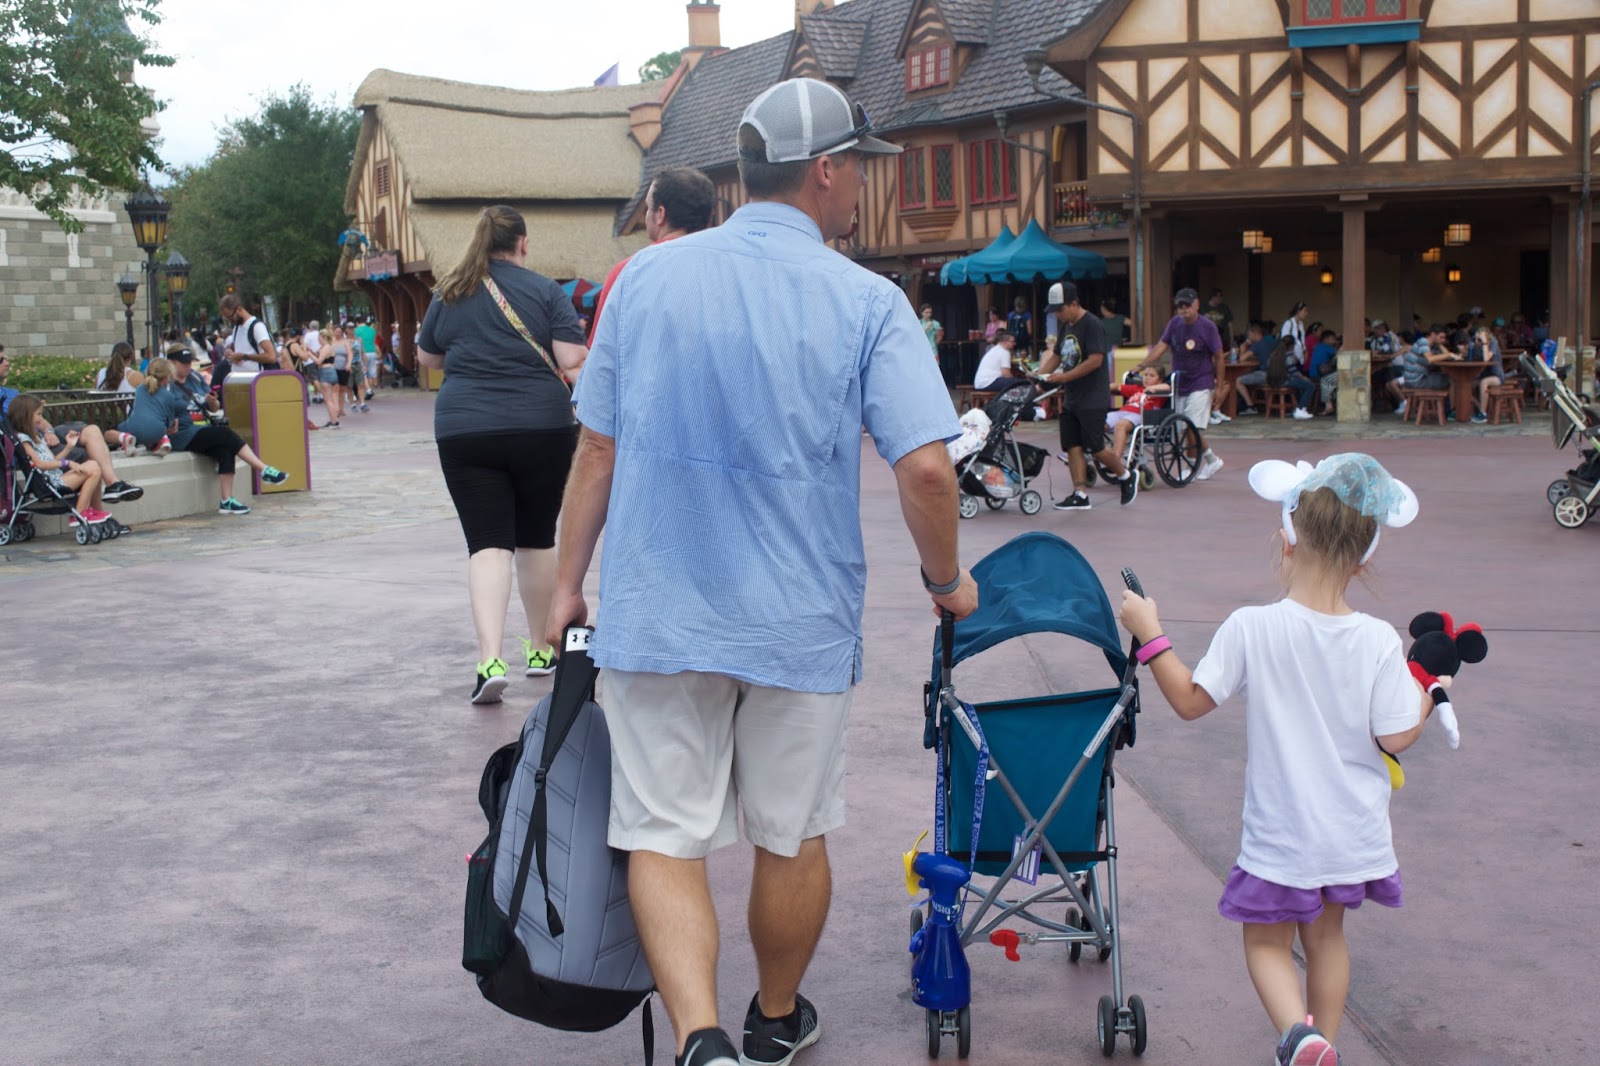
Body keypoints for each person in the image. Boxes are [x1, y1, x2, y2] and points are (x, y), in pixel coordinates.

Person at [547, 77, 977, 1066]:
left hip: (660, 609)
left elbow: (597, 450)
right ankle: (774, 1019)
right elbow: (926, 468)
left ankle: (700, 1038)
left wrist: (569, 584)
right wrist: (945, 580)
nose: (864, 183)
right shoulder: (867, 300)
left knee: (662, 832)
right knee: (791, 831)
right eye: (859, 166)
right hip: (797, 617)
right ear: (825, 170)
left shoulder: (644, 281)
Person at [1118, 453, 1427, 1066]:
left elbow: (1189, 700)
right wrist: (1425, 694)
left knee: (1265, 943)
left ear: (1287, 538)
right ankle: (1323, 1046)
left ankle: (1298, 1037)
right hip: (1351, 830)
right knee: (1328, 940)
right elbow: (1396, 737)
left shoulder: (1252, 627)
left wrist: (1150, 633)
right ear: (1363, 559)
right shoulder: (1379, 639)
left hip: (1283, 832)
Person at [416, 204, 588, 703]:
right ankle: (539, 649)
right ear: (523, 244)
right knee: (536, 538)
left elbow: (427, 357)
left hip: (466, 429)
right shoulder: (547, 291)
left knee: (487, 545)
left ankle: (490, 660)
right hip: (542, 427)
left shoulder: (450, 291)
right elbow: (571, 361)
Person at [1036, 280, 1138, 508]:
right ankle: (1080, 494)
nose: (1058, 315)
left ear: (1074, 303)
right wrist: (1039, 378)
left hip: (1092, 396)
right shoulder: (1066, 326)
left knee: (1096, 446)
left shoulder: (1092, 324)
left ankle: (1125, 475)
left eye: (1061, 309)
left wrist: (1064, 377)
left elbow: (1095, 360)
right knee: (1072, 445)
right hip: (1072, 397)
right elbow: (1057, 356)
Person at [590, 166, 717, 343]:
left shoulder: (627, 273)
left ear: (660, 215)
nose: (646, 215)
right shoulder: (725, 271)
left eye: (648, 208)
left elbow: (601, 350)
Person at [166, 349, 289, 513]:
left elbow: (214, 407)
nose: (188, 366)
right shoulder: (167, 384)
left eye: (190, 362)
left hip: (202, 428)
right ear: (172, 363)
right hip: (183, 433)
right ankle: (263, 469)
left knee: (225, 450)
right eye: (184, 363)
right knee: (225, 434)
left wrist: (212, 401)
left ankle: (226, 500)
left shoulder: (195, 378)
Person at [1136, 288, 1226, 479]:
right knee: (1183, 427)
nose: (1184, 309)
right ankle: (1212, 460)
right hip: (1180, 382)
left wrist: (1219, 387)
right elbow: (1162, 346)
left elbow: (1219, 356)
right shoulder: (1175, 323)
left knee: (1190, 426)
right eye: (1180, 306)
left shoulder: (1207, 327)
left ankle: (1188, 469)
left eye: (1187, 305)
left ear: (1197, 305)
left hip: (1201, 381)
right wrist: (1142, 365)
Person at [6, 394, 115, 528]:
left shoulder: (36, 436)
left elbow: (53, 460)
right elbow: (39, 464)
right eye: (38, 414)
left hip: (56, 478)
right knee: (93, 467)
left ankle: (86, 510)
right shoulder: (24, 440)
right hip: (49, 483)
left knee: (93, 465)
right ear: (25, 416)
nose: (41, 419)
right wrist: (68, 463)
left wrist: (69, 446)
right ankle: (80, 512)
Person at [1105, 364, 1170, 461]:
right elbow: (1118, 387)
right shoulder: (1137, 388)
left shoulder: (1158, 392)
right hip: (1122, 412)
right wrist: (1103, 388)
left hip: (1140, 415)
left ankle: (1115, 459)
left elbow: (1168, 387)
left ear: (1160, 380)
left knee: (1121, 425)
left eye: (1152, 376)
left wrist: (1154, 388)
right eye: (1146, 375)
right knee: (1098, 423)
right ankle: (1097, 451)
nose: (1147, 378)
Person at [219, 295, 281, 373]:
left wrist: (244, 357)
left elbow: (271, 357)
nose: (230, 321)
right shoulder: (237, 328)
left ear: (239, 309)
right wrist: (229, 352)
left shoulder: (257, 327)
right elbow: (235, 349)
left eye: (230, 317)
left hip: (257, 377)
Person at [1468, 326, 1504, 424]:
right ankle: (1478, 406)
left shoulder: (1493, 343)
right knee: (1466, 385)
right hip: (1483, 374)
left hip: (1497, 375)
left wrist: (1484, 343)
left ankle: (1483, 414)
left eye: (1479, 339)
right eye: (1475, 339)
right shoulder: (1477, 346)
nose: (1477, 341)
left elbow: (1486, 359)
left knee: (1484, 382)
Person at [1307, 330, 1341, 416]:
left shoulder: (1318, 346)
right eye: (1332, 339)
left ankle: (1330, 405)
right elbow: (1339, 355)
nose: (1334, 341)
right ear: (1326, 339)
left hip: (1313, 375)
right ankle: (1330, 405)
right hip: (1319, 375)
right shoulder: (1326, 347)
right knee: (1331, 381)